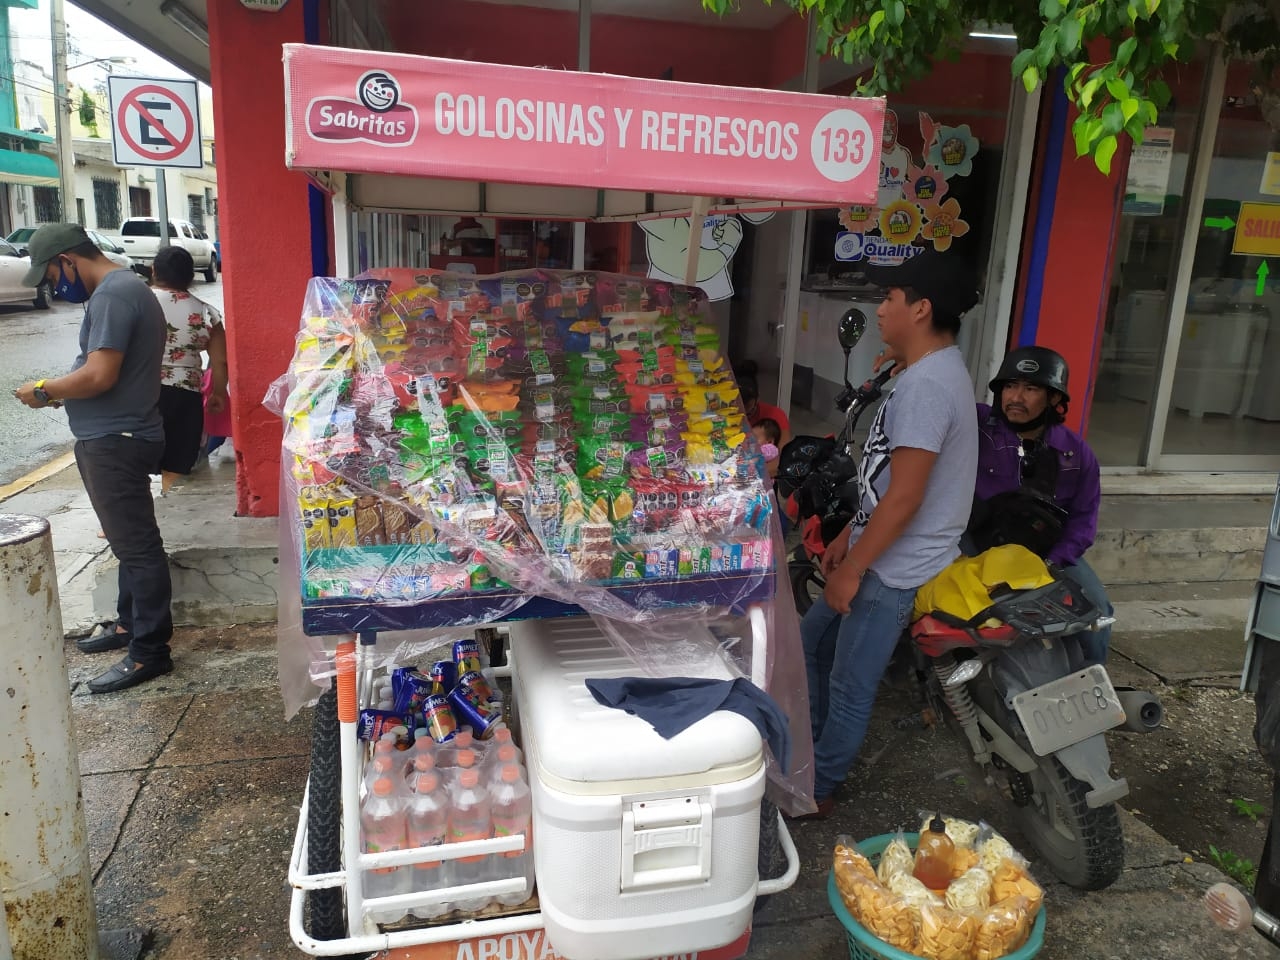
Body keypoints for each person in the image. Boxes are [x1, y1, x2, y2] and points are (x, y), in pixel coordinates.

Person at [798, 249, 979, 818]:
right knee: (810, 645)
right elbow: (884, 482)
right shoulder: (924, 375)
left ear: (920, 308)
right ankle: (812, 754)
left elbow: (905, 498)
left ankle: (817, 788)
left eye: (889, 298)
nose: (878, 309)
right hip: (879, 551)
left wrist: (853, 569)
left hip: (896, 569)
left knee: (851, 683)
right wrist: (849, 534)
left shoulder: (928, 387)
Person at [12, 223, 173, 694]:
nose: (53, 286)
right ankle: (128, 626)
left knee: (138, 547)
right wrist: (67, 392)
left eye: (52, 275)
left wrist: (44, 390)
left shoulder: (113, 294)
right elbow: (102, 370)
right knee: (128, 543)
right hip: (117, 433)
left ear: (69, 259)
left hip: (115, 439)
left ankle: (149, 652)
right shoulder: (125, 288)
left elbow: (99, 374)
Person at [971, 346, 1112, 665]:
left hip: (1045, 555)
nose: (1016, 397)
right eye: (1010, 386)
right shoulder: (978, 426)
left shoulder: (1078, 455)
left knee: (1097, 614)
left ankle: (1089, 694)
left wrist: (1050, 563)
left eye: (1030, 388)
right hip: (974, 546)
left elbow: (1083, 523)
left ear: (1054, 399)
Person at [150, 246, 228, 493]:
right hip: (186, 395)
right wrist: (218, 393)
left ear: (154, 271)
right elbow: (220, 361)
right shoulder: (206, 313)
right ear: (190, 276)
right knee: (177, 456)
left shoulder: (140, 302)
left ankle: (131, 514)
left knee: (136, 456)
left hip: (143, 391)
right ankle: (166, 497)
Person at [737, 365, 792, 445]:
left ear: (757, 398)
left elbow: (784, 453)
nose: (742, 407)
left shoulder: (775, 415)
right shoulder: (724, 414)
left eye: (746, 403)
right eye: (738, 402)